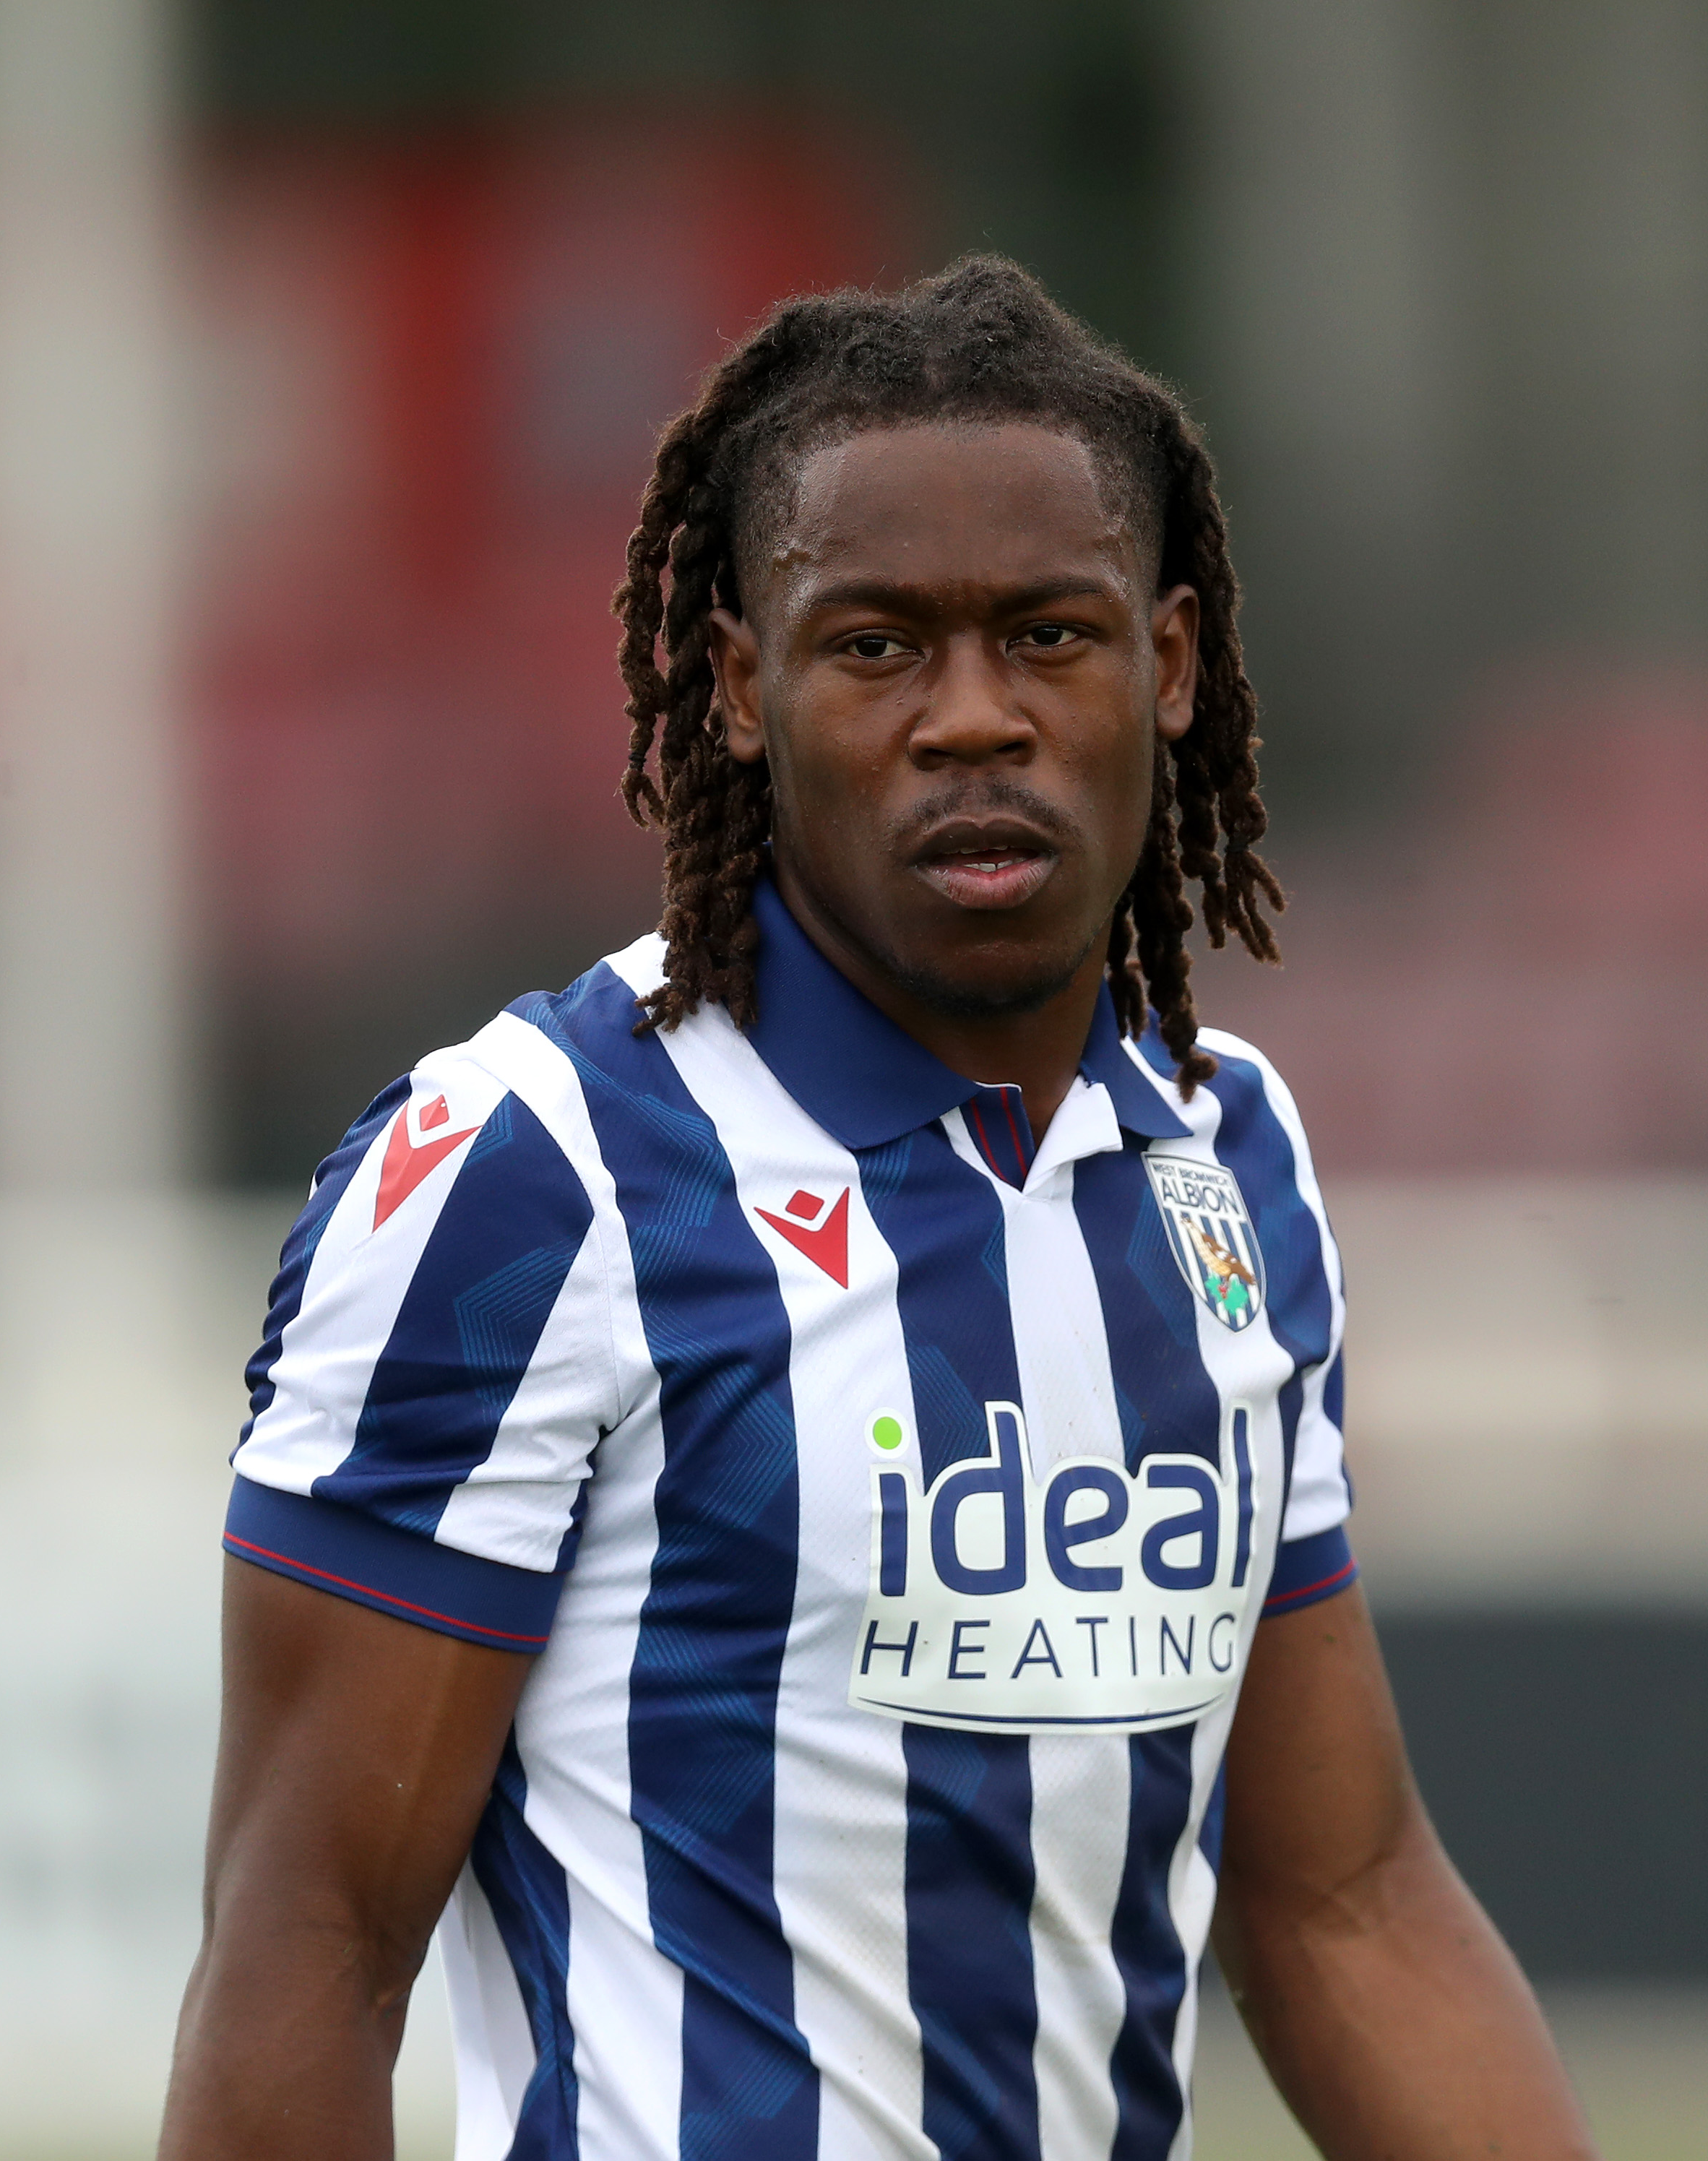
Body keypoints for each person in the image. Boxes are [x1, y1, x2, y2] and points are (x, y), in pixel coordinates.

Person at [160, 259, 1591, 2160]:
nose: (969, 718)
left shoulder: (1222, 1166)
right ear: (741, 687)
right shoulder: (531, 1175)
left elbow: (1342, 1903)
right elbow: (304, 1947)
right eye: (876, 646)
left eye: (1047, 638)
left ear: (1165, 669)